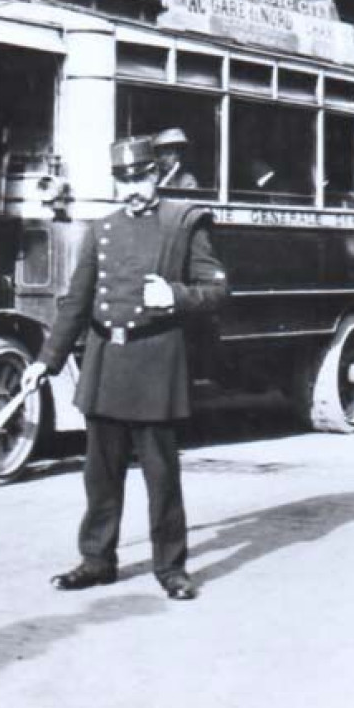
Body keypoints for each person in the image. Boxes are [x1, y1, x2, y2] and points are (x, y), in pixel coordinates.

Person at [21, 136, 229, 601]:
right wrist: (45, 362)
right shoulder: (102, 229)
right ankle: (97, 560)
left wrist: (175, 295)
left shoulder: (183, 223)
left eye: (142, 177)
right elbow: (76, 303)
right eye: (125, 180)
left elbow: (217, 289)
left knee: (161, 477)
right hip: (107, 361)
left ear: (159, 175)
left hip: (156, 362)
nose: (134, 188)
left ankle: (171, 568)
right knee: (100, 475)